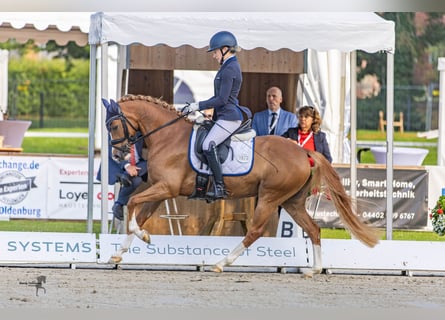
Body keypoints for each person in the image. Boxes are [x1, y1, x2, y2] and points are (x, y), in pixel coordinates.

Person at [181, 30, 251, 201]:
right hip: (222, 116)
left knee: (207, 144)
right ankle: (202, 185)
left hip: (229, 117)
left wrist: (196, 105)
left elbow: (221, 99)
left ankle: (220, 187)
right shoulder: (226, 67)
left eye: (215, 51)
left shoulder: (230, 68)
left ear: (225, 49)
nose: (213, 56)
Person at [96, 135, 148, 221]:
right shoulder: (115, 130)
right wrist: (127, 166)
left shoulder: (139, 130)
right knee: (136, 180)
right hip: (118, 165)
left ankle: (127, 176)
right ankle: (119, 204)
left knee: (151, 165)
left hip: (138, 165)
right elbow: (111, 151)